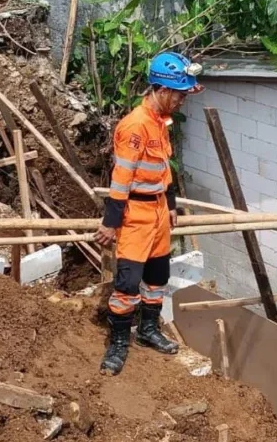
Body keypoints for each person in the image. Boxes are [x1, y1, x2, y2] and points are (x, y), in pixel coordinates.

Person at [94, 51, 203, 375]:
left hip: (157, 212)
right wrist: (111, 223)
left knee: (158, 278)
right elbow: (122, 178)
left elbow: (163, 169)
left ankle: (148, 329)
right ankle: (118, 344)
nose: (183, 100)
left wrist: (170, 205)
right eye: (180, 94)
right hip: (136, 215)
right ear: (162, 90)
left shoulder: (160, 123)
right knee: (127, 284)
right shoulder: (135, 127)